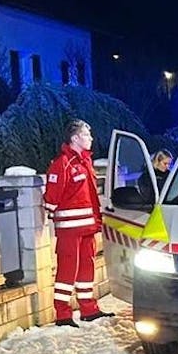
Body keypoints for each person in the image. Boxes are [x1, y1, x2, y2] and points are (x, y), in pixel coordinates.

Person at [44, 120, 113, 326]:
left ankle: (88, 308)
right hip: (69, 230)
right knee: (67, 269)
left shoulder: (84, 162)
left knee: (86, 269)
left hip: (87, 227)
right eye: (86, 135)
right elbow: (52, 197)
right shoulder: (62, 163)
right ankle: (63, 315)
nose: (90, 138)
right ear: (75, 138)